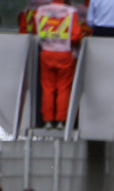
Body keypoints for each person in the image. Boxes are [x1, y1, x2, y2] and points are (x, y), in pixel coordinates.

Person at [34, 0, 83, 129]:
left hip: (46, 53)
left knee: (47, 87)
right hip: (64, 54)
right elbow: (76, 36)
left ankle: (48, 120)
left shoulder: (41, 11)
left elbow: (36, 33)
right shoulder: (70, 12)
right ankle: (61, 121)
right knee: (64, 87)